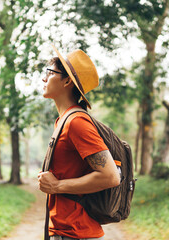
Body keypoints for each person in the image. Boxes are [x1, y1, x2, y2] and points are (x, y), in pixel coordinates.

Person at [38, 45, 120, 240]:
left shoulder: (77, 122)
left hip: (75, 233)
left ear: (67, 81)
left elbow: (110, 177)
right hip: (65, 231)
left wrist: (56, 186)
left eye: (50, 73)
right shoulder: (64, 121)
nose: (44, 78)